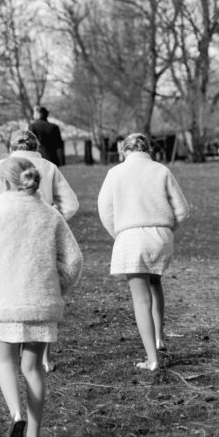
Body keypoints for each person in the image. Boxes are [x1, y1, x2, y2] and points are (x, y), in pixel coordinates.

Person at [0, 158, 82, 437]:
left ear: (5, 183)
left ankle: (16, 413)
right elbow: (74, 260)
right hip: (42, 302)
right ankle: (34, 433)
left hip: (6, 301)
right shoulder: (51, 215)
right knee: (33, 368)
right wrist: (57, 286)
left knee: (5, 361)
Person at [0, 129, 79, 372]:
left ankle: (12, 347)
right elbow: (71, 203)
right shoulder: (48, 167)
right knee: (43, 285)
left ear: (11, 145)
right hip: (43, 232)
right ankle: (43, 355)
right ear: (36, 145)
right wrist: (56, 217)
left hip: (9, 233)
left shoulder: (4, 166)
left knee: (13, 285)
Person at [97, 133, 189, 371]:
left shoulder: (115, 173)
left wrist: (119, 233)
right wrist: (167, 230)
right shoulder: (161, 170)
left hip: (131, 237)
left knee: (140, 298)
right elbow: (182, 209)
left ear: (124, 150)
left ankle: (152, 358)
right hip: (160, 236)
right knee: (155, 283)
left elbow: (105, 210)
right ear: (148, 149)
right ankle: (159, 337)